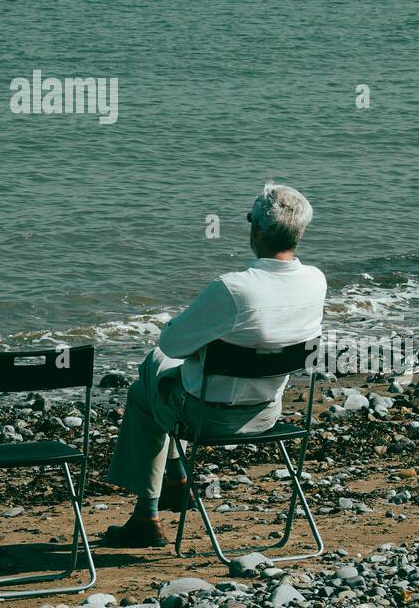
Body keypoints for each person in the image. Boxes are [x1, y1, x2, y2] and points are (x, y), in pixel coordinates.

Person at [104, 182, 326, 547]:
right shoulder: (315, 281)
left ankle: (147, 513)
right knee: (167, 381)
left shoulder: (234, 288)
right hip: (266, 414)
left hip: (208, 418)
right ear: (299, 232)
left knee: (148, 380)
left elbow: (172, 344)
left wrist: (200, 342)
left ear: (255, 228)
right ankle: (174, 483)